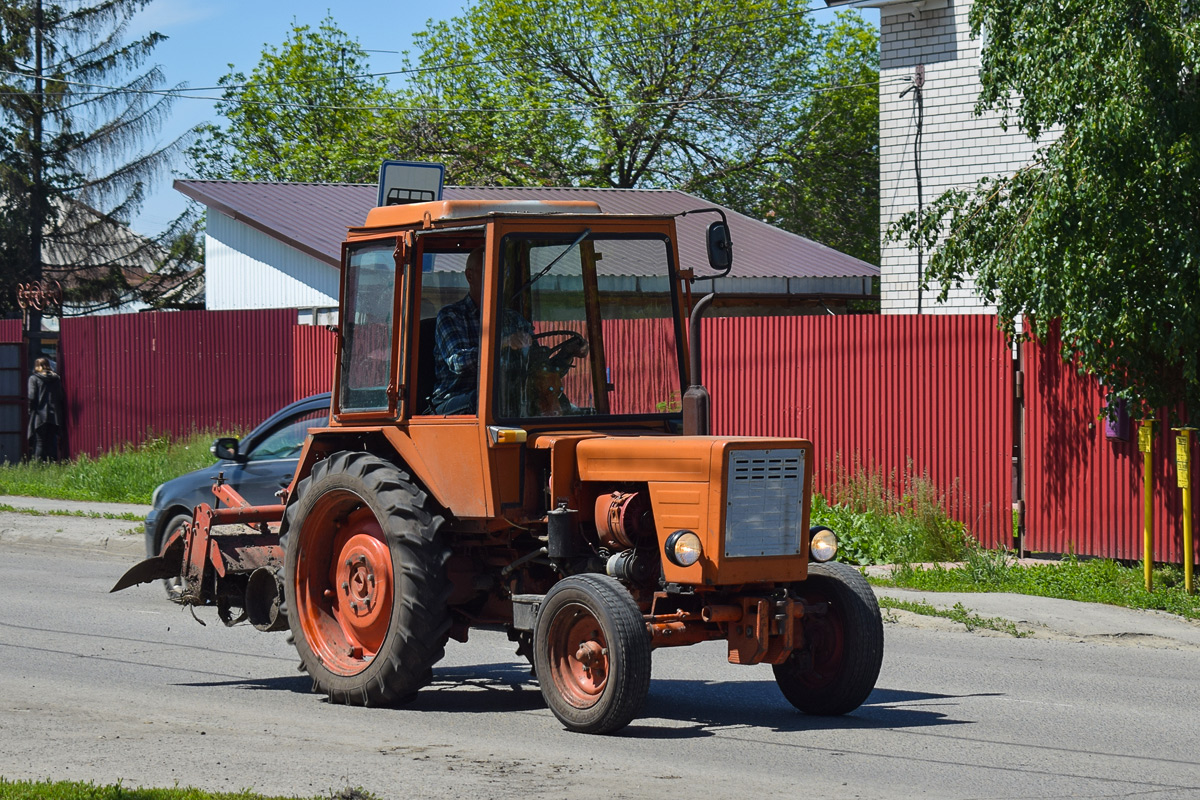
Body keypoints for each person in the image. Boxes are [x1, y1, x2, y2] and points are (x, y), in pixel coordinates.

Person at [430, 248, 532, 414]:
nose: (500, 278)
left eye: (503, 272)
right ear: (470, 276)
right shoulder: (450, 316)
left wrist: (566, 354)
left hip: (502, 396)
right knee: (488, 398)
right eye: (493, 270)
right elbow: (458, 362)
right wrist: (503, 343)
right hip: (454, 400)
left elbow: (534, 361)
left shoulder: (513, 319)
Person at [27, 356, 65, 462]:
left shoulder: (33, 378)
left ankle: (37, 466)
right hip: (55, 415)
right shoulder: (56, 378)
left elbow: (32, 396)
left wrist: (30, 411)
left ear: (36, 366)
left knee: (40, 442)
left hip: (40, 415)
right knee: (51, 441)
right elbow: (60, 396)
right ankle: (52, 464)